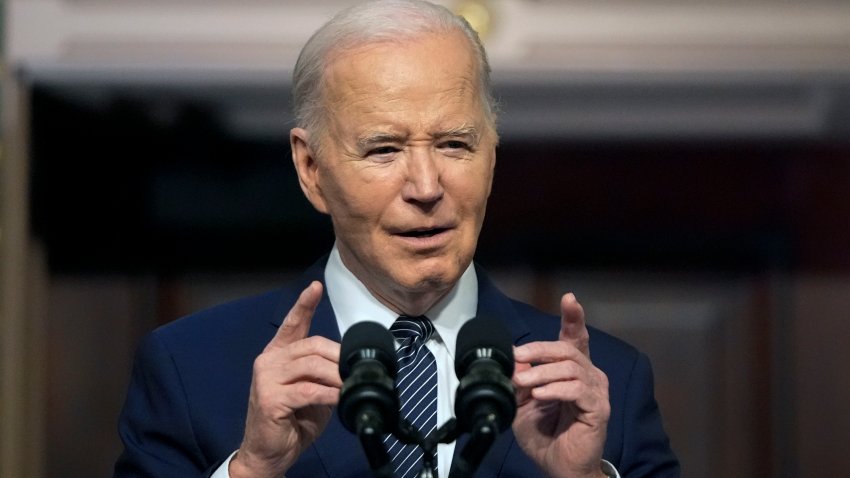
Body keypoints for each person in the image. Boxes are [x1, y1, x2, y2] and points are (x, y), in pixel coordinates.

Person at [113, 1, 680, 477]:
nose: (427, 186)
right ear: (311, 169)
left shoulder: (606, 383)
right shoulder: (191, 368)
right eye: (384, 149)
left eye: (455, 144)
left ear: (492, 157)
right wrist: (253, 469)